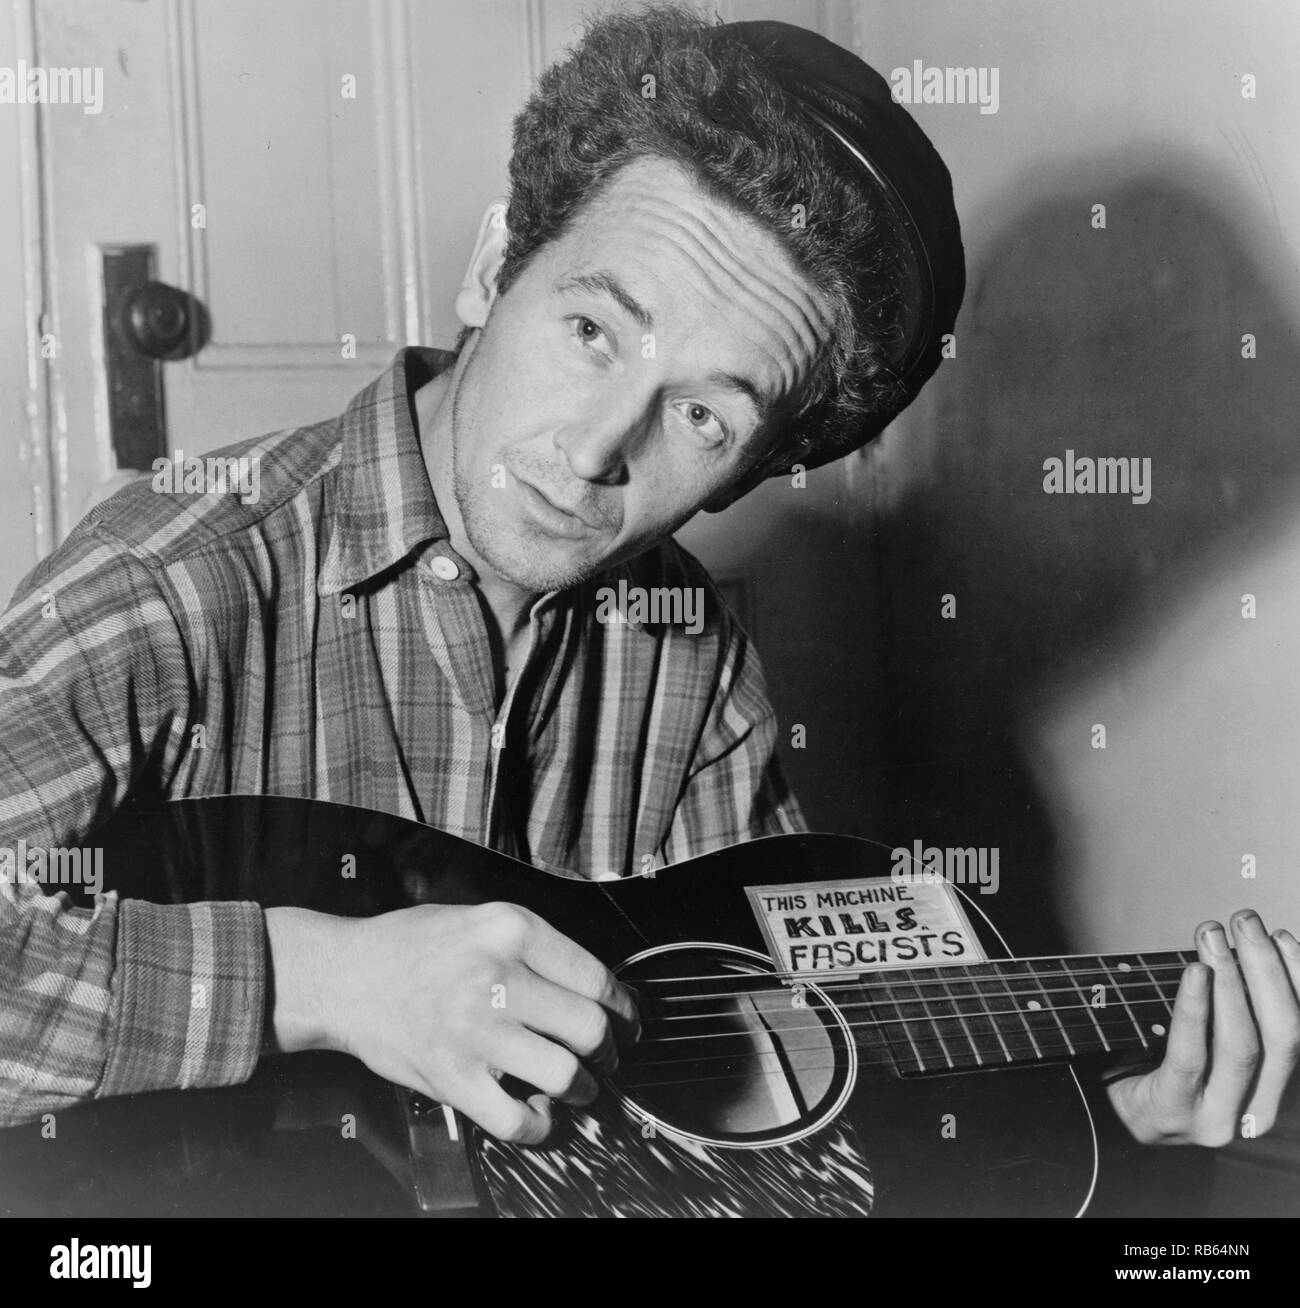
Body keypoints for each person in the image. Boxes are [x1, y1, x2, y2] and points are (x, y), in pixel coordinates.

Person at [1, 7, 1295, 1160]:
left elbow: (771, 1076)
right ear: (494, 263)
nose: (595, 446)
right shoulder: (177, 583)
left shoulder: (691, 657)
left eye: (707, 419)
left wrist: (1111, 1123)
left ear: (752, 472)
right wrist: (321, 980)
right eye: (590, 330)